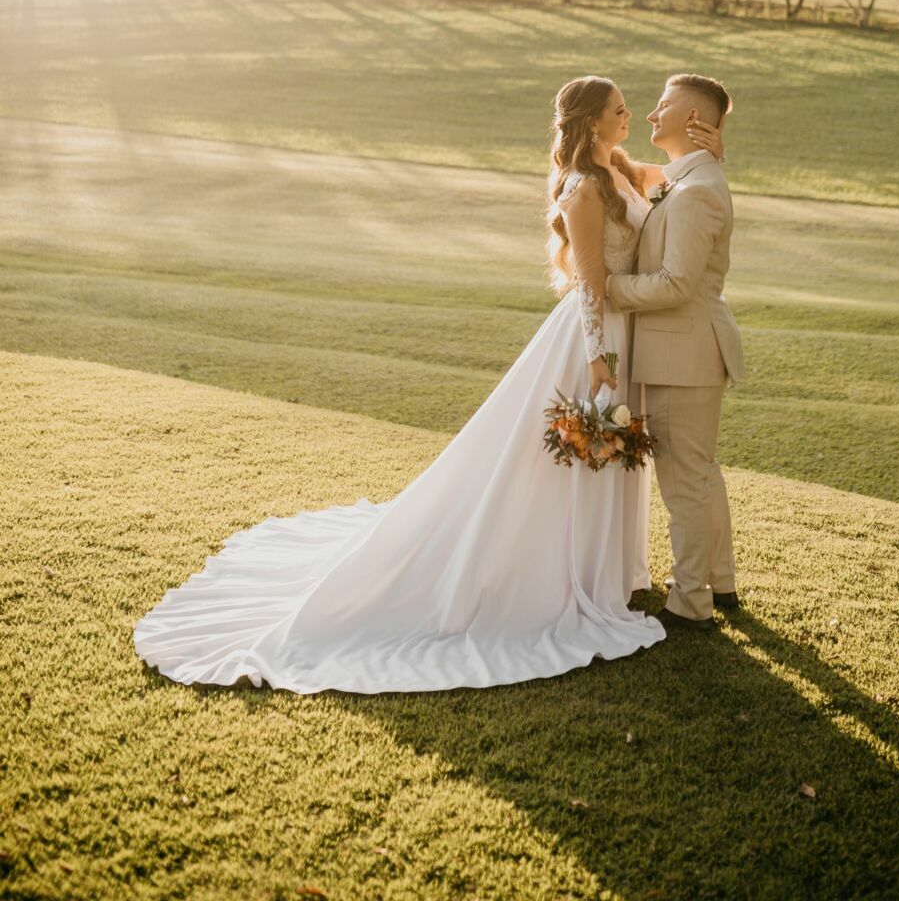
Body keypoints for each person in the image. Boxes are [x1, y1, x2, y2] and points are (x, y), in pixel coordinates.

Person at [132, 74, 723, 694]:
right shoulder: (580, 190)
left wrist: (710, 153)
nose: (630, 116)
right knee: (575, 454)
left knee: (607, 457)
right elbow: (590, 284)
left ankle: (606, 572)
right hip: (593, 338)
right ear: (591, 123)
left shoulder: (626, 169)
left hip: (628, 333)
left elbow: (677, 184)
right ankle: (561, 572)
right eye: (619, 110)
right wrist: (599, 357)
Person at [607, 72, 746, 634]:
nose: (649, 114)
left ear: (693, 121)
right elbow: (627, 171)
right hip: (686, 351)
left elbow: (675, 283)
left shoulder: (697, 191)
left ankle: (691, 602)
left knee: (685, 482)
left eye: (662, 106)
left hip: (682, 354)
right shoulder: (690, 177)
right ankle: (721, 581)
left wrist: (606, 290)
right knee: (701, 474)